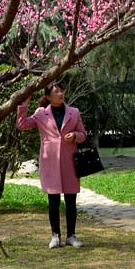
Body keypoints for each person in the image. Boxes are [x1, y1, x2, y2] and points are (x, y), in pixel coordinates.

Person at [17, 82, 88, 248]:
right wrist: (23, 105)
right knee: (53, 200)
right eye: (56, 91)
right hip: (50, 162)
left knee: (71, 200)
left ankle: (71, 235)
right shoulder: (41, 113)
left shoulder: (74, 112)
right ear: (48, 96)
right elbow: (22, 125)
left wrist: (75, 135)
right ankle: (55, 235)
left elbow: (83, 135)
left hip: (70, 161)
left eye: (61, 90)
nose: (60, 93)